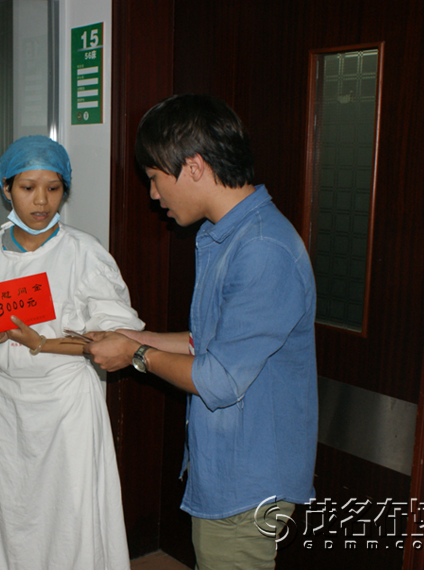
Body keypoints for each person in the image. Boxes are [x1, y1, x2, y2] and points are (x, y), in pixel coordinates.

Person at [84, 94, 318, 570]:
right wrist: (135, 337)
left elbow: (218, 378)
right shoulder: (227, 234)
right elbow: (208, 341)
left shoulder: (261, 249)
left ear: (193, 167)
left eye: (154, 178)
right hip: (231, 466)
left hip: (249, 480)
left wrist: (135, 355)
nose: (153, 195)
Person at [0, 135, 144, 570]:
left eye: (53, 188)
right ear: (6, 189)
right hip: (4, 406)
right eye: (27, 187)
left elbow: (117, 335)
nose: (41, 200)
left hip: (65, 404)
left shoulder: (84, 253)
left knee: (70, 513)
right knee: (6, 511)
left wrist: (43, 343)